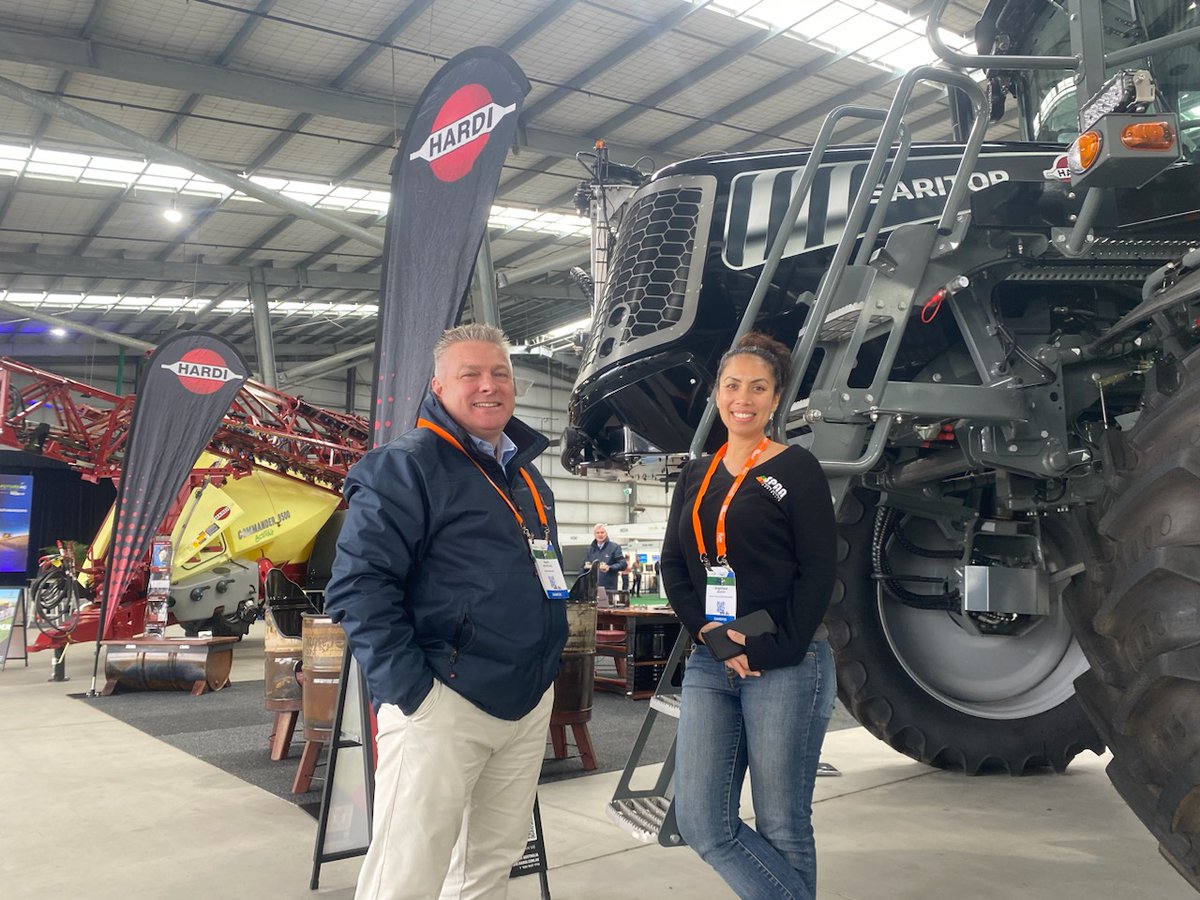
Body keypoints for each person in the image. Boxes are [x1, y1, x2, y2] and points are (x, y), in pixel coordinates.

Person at [323, 323, 568, 900]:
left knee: (487, 867)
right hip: (443, 700)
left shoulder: (526, 476)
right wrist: (414, 695)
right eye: (471, 374)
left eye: (500, 373)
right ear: (438, 385)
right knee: (405, 874)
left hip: (525, 701)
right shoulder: (404, 466)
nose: (489, 386)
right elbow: (358, 585)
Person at [659, 332, 837, 900]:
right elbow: (673, 566)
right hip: (712, 662)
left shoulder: (797, 468)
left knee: (782, 823)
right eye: (732, 385)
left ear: (776, 398)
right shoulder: (696, 473)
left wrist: (766, 646)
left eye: (758, 387)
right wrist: (714, 637)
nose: (744, 397)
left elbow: (817, 571)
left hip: (786, 658)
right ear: (716, 393)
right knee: (702, 822)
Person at [582, 523, 627, 595]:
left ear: (606, 534)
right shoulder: (590, 549)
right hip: (592, 589)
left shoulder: (615, 547)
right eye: (597, 533)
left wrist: (609, 568)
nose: (600, 535)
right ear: (594, 534)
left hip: (609, 589)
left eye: (602, 532)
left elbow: (623, 564)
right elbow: (583, 568)